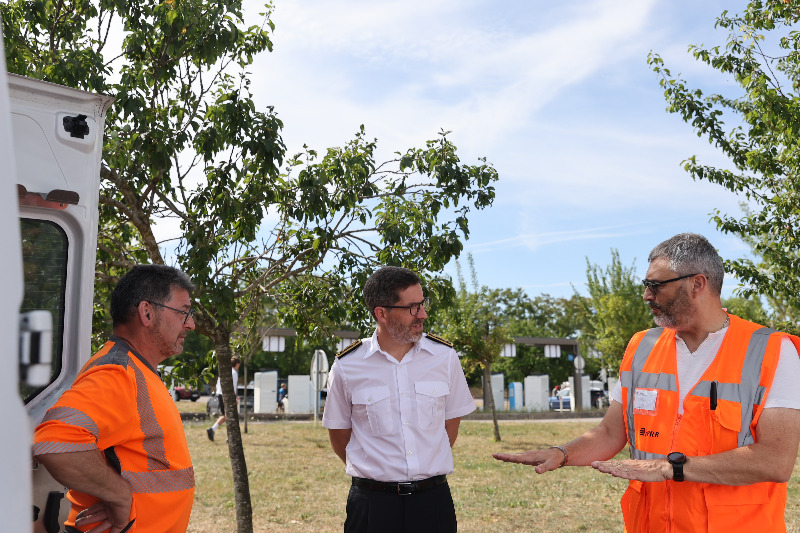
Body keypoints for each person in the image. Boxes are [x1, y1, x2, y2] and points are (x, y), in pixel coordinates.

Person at [493, 233, 800, 532]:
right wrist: (563, 453)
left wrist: (671, 468)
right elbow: (611, 432)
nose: (646, 295)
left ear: (697, 284)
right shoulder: (642, 347)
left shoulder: (771, 351)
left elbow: (775, 460)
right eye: (646, 285)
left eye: (656, 286)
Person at [33, 265, 197, 533]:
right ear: (146, 312)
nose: (190, 323)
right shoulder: (118, 374)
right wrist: (119, 495)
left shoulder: (137, 369)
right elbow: (54, 441)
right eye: (183, 312)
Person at [322, 266, 476, 533]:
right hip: (372, 505)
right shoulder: (347, 366)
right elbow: (339, 436)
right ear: (381, 313)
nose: (423, 314)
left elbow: (450, 424)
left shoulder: (444, 357)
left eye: (423, 304)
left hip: (433, 503)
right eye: (413, 307)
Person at [207, 355, 241, 441]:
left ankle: (214, 429)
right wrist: (235, 398)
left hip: (219, 394)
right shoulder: (233, 373)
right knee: (230, 415)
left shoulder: (224, 371)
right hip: (227, 396)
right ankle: (229, 436)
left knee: (226, 415)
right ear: (236, 364)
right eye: (238, 364)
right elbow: (232, 387)